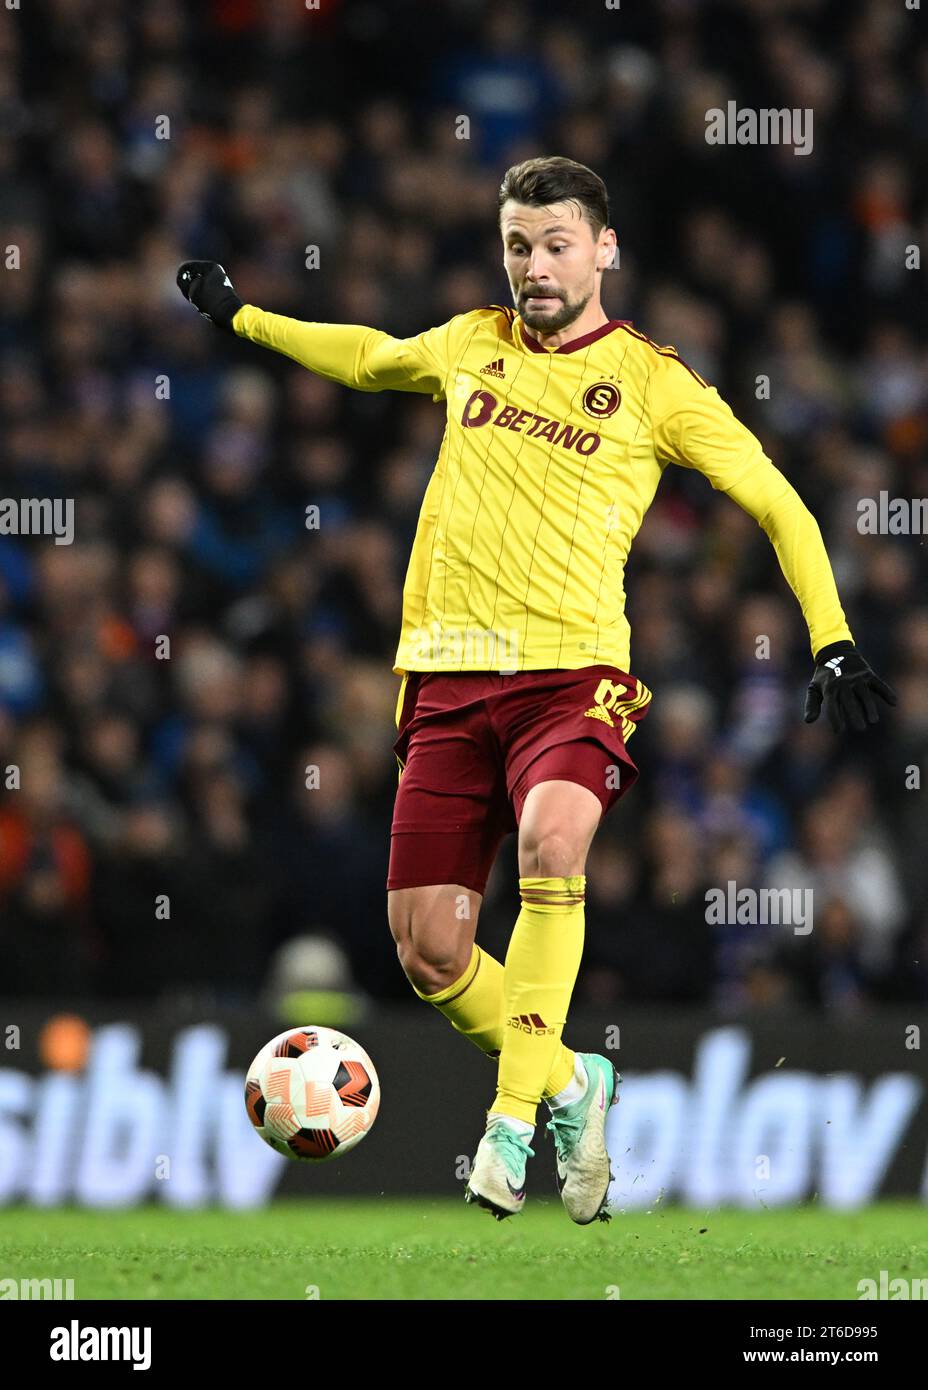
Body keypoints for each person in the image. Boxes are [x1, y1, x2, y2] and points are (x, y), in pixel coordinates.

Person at [177, 154, 895, 1224]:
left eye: (556, 243)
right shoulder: (471, 342)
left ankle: (510, 1124)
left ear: (603, 249)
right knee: (428, 952)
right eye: (518, 244)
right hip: (443, 676)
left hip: (574, 674)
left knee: (554, 850)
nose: (534, 265)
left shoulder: (656, 383)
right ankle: (574, 1079)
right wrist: (244, 319)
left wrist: (831, 639)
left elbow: (778, 502)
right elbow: (370, 358)